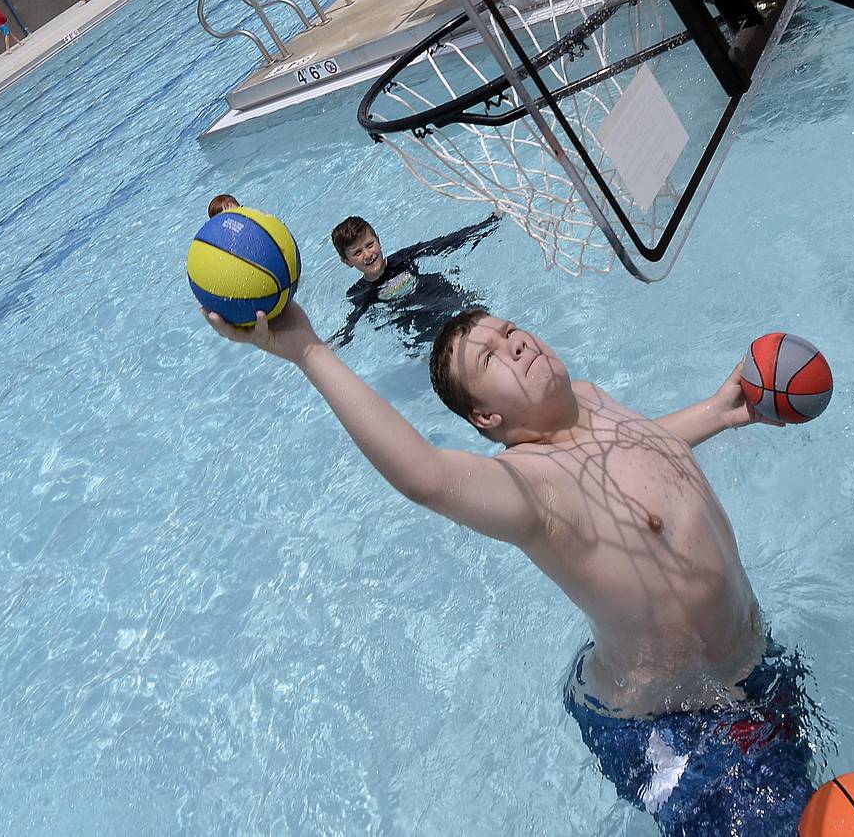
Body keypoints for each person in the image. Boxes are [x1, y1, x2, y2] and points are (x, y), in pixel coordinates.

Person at [204, 302, 819, 831]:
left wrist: (717, 412)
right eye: (490, 358)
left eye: (508, 331)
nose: (513, 342)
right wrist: (308, 350)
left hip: (752, 671)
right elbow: (425, 477)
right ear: (487, 420)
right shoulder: (532, 486)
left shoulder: (590, 402)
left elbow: (640, 458)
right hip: (675, 725)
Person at [330, 213, 499, 351]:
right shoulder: (358, 293)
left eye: (369, 244)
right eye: (357, 252)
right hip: (419, 326)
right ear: (347, 261)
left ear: (378, 241)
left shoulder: (403, 259)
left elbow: (446, 243)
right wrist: (335, 343)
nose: (368, 255)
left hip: (445, 301)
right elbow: (352, 323)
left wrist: (490, 222)